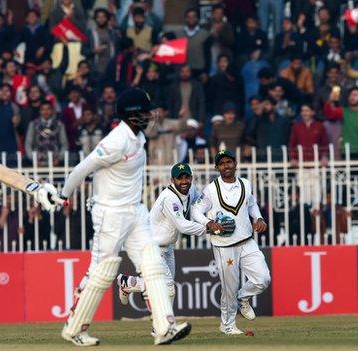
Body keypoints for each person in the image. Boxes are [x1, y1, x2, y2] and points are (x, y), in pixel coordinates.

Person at [33, 88, 191, 346]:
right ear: (131, 114)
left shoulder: (138, 136)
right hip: (110, 214)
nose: (150, 115)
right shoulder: (115, 142)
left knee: (154, 265)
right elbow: (82, 169)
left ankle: (164, 328)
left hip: (135, 211)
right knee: (102, 272)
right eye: (144, 111)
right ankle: (74, 329)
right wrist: (63, 195)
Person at [191, 149, 270, 335]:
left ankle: (243, 297)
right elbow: (196, 210)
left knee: (263, 278)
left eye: (229, 162)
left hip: (247, 241)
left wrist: (259, 219)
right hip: (224, 245)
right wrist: (208, 222)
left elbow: (251, 204)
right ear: (217, 167)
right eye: (222, 163)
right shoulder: (211, 189)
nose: (226, 166)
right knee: (229, 289)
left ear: (235, 164)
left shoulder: (245, 184)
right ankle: (227, 325)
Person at [116, 163, 207, 308]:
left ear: (191, 177)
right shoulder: (168, 197)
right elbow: (182, 225)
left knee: (159, 287)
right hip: (151, 247)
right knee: (168, 288)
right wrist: (208, 227)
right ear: (172, 180)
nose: (184, 181)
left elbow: (204, 201)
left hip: (168, 247)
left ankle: (127, 283)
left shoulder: (191, 191)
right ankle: (164, 325)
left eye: (187, 177)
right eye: (179, 178)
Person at [25, 101, 69, 166]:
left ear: (52, 110)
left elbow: (64, 144)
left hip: (55, 161)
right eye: (43, 109)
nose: (45, 112)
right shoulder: (33, 124)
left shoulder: (59, 124)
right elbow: (28, 144)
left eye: (48, 109)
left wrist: (59, 159)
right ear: (39, 111)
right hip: (38, 161)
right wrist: (33, 159)